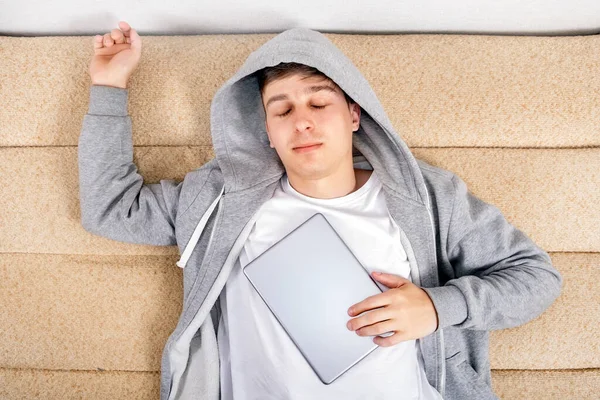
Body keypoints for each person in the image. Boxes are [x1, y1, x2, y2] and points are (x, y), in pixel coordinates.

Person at [79, 21, 563, 400]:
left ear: (354, 115)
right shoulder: (219, 199)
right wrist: (109, 85)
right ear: (265, 129)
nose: (303, 122)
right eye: (282, 110)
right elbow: (110, 209)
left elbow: (538, 278)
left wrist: (438, 308)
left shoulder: (430, 197)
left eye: (319, 102)